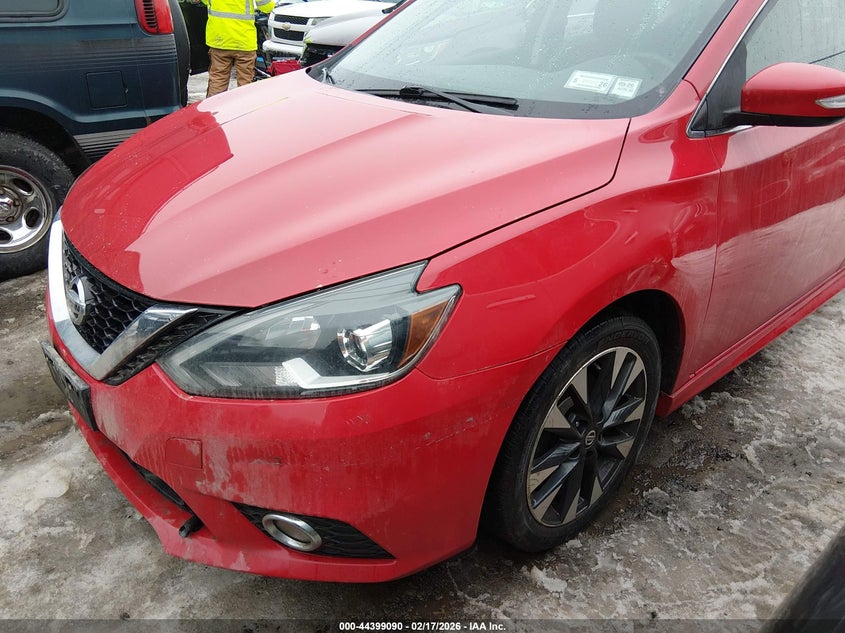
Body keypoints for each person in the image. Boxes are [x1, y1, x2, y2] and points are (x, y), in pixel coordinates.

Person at [199, 0, 276, 97]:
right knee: (245, 83)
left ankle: (213, 110)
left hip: (219, 39)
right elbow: (267, 6)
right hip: (244, 41)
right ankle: (244, 110)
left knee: (218, 80)